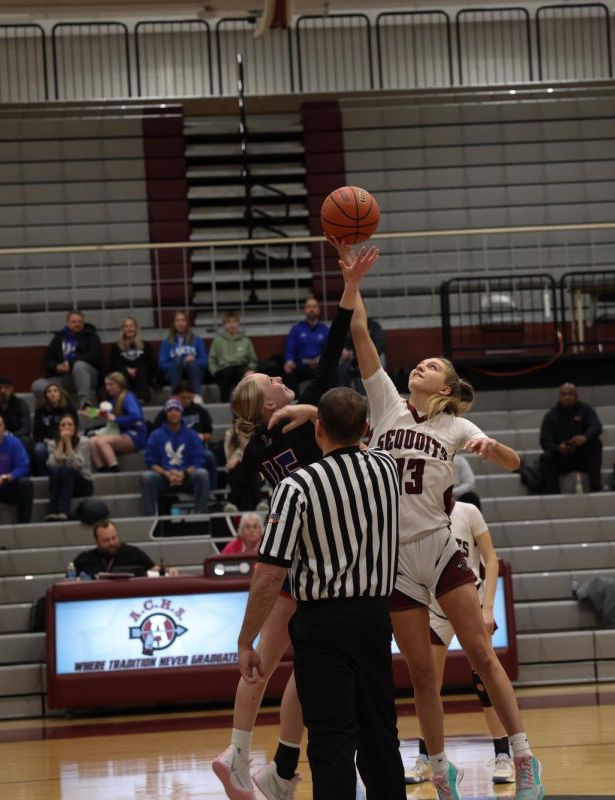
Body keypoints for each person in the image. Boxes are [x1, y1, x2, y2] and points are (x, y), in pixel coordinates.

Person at [344, 242, 544, 800]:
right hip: (393, 558)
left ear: (448, 390)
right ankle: (438, 768)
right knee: (423, 676)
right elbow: (359, 331)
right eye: (421, 362)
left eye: (433, 366)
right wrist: (352, 281)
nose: (421, 366)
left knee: (480, 654)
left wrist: (489, 446)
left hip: (438, 545)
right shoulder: (383, 402)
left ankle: (525, 758)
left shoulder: (457, 426)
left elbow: (513, 462)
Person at [213, 251, 356, 800]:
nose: (279, 375)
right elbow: (332, 348)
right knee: (305, 661)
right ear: (269, 403)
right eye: (270, 379)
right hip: (322, 556)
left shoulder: (256, 448)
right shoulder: (300, 421)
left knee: (266, 662)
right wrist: (349, 290)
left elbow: (243, 481)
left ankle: (242, 752)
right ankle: (257, 762)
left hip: (292, 548)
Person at [236, 387, 406, 800]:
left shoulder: (296, 487)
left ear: (317, 431)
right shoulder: (387, 468)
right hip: (373, 621)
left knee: (331, 741)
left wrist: (247, 639)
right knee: (381, 735)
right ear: (364, 428)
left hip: (323, 625)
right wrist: (317, 410)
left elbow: (270, 575)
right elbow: (366, 441)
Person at [410, 500, 513, 785]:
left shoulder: (468, 512)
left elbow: (491, 559)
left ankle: (504, 755)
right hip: (434, 607)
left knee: (484, 680)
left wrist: (489, 607)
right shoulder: (417, 511)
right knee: (428, 683)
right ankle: (426, 758)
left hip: (471, 602)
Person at [141, 398, 211, 517]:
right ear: (166, 413)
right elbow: (150, 462)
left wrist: (183, 473)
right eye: (170, 410)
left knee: (202, 474)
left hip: (186, 478)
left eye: (177, 409)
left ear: (181, 412)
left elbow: (199, 460)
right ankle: (150, 519)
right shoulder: (156, 435)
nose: (173, 412)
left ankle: (201, 516)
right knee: (147, 477)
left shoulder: (192, 434)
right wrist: (167, 474)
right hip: (164, 478)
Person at [538, 383, 603, 494]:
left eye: (570, 394)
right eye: (564, 394)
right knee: (546, 457)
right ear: (559, 397)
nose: (567, 397)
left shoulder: (586, 410)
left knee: (596, 443)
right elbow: (545, 441)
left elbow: (596, 427)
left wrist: (584, 438)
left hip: (582, 456)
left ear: (577, 396)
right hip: (563, 459)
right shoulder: (550, 416)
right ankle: (553, 493)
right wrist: (559, 448)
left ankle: (595, 487)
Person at [32, 310, 102, 407]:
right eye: (73, 322)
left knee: (79, 365)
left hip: (87, 377)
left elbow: (94, 355)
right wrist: (57, 367)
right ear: (68, 323)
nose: (77, 324)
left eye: (79, 322)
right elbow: (46, 360)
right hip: (65, 377)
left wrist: (70, 363)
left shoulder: (91, 336)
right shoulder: (59, 338)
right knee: (37, 385)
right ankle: (58, 404)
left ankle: (85, 402)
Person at [153, 381, 216, 489]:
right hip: (171, 451)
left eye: (189, 398)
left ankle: (212, 490)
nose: (186, 401)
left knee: (208, 456)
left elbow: (209, 434)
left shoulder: (200, 411)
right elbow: (157, 435)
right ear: (176, 397)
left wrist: (199, 436)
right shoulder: (166, 413)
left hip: (194, 450)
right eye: (183, 398)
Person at [88, 372, 148, 474]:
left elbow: (135, 416)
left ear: (120, 384)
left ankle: (114, 468)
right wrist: (90, 412)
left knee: (102, 441)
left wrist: (116, 420)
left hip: (135, 434)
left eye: (111, 384)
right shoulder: (114, 400)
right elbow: (105, 413)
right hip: (122, 433)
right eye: (106, 385)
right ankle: (101, 469)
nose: (107, 388)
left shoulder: (128, 397)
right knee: (92, 441)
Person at [46, 414, 93, 522]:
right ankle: (52, 511)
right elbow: (51, 464)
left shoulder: (84, 442)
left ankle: (64, 510)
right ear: (59, 428)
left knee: (67, 470)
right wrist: (61, 443)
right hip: (62, 482)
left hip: (82, 483)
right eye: (63, 425)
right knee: (55, 471)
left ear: (75, 427)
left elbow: (76, 465)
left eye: (70, 425)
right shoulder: (53, 443)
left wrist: (68, 443)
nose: (66, 427)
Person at [73, 520, 161, 578]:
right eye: (106, 540)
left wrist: (167, 571)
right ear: (97, 542)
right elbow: (69, 581)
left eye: (114, 538)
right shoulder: (84, 559)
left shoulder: (134, 553)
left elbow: (155, 570)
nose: (111, 543)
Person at [0, 376, 34, 464]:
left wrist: (8, 435)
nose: (3, 391)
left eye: (6, 388)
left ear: (12, 389)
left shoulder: (21, 404)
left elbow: (26, 429)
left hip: (16, 437)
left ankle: (25, 470)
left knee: (26, 441)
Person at [209, 311, 259, 402]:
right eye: (228, 322)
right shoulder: (217, 340)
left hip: (241, 367)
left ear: (238, 323)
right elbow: (211, 359)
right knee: (226, 374)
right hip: (224, 369)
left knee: (249, 375)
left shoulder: (245, 340)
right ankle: (224, 403)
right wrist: (215, 371)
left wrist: (251, 369)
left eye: (234, 322)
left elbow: (253, 359)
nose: (231, 325)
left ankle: (250, 404)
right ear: (224, 325)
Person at [282, 296, 329, 392]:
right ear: (304, 310)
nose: (311, 309)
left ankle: (331, 400)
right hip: (301, 366)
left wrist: (321, 362)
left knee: (332, 370)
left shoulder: (325, 330)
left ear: (319, 310)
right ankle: (295, 401)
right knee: (287, 369)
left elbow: (329, 351)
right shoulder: (296, 329)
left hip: (319, 367)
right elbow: (289, 350)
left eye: (314, 306)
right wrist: (289, 361)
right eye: (308, 307)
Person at [158, 311, 208, 398]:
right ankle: (175, 397)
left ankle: (197, 397)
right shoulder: (166, 343)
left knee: (192, 363)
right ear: (173, 323)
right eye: (177, 320)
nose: (180, 323)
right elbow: (162, 365)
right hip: (173, 373)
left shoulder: (197, 340)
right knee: (177, 361)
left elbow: (204, 362)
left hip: (194, 372)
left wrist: (194, 360)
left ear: (187, 323)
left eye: (183, 320)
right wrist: (180, 362)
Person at [107, 316, 153, 404]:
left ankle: (142, 398)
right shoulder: (116, 346)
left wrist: (135, 369)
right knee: (122, 371)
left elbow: (150, 362)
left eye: (132, 326)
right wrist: (127, 369)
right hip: (123, 374)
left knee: (142, 368)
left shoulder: (145, 345)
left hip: (142, 374)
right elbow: (113, 364)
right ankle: (128, 399)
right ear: (122, 329)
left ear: (136, 328)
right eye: (126, 326)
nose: (129, 329)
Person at [32, 383, 74, 477]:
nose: (52, 394)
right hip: (46, 440)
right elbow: (36, 432)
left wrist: (59, 439)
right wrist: (44, 439)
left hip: (66, 437)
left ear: (60, 393)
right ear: (45, 395)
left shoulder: (69, 408)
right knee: (39, 449)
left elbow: (74, 427)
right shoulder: (40, 409)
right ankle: (44, 475)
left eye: (55, 391)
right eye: (49, 391)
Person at [337, 313, 386, 389]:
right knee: (341, 361)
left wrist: (369, 354)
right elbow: (345, 343)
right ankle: (343, 389)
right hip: (354, 357)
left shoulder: (373, 326)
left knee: (381, 358)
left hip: (372, 356)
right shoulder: (348, 325)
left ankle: (378, 388)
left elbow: (381, 345)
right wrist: (345, 350)